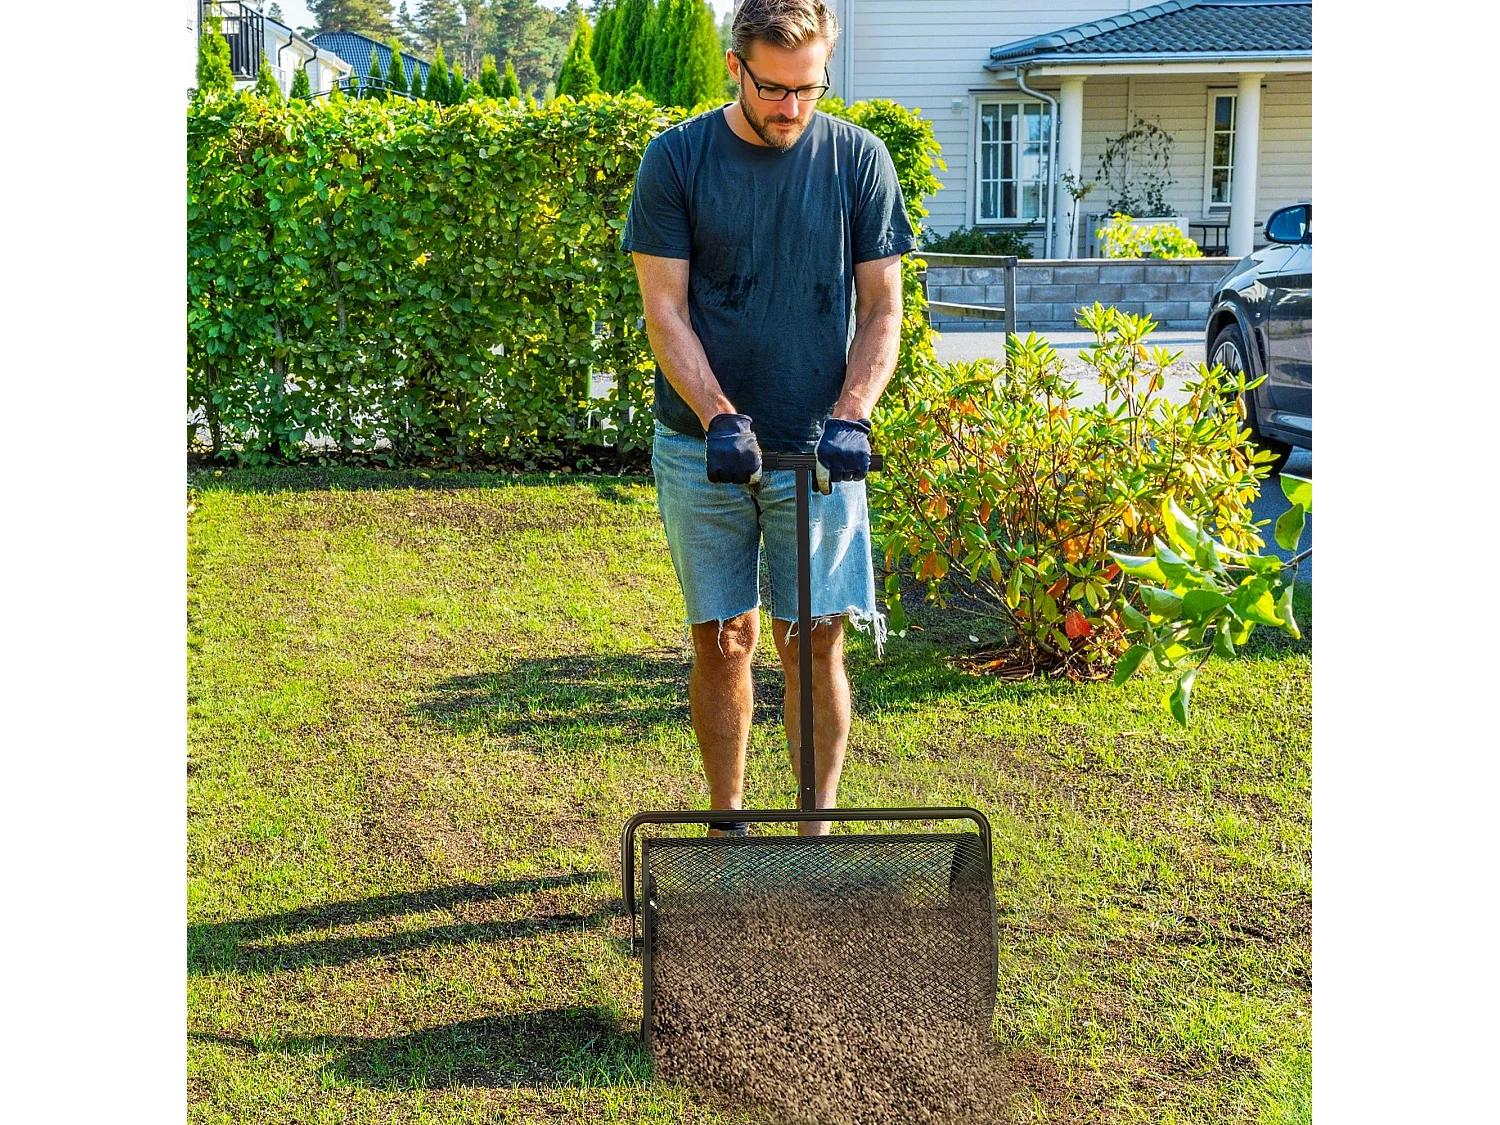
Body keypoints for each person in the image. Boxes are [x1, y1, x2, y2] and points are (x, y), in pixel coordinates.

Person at [621, 0, 917, 836]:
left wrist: (853, 414)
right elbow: (665, 312)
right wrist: (717, 414)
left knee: (815, 636)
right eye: (775, 89)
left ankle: (814, 831)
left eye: (810, 89)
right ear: (736, 68)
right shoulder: (675, 161)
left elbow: (883, 309)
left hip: (822, 448)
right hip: (700, 448)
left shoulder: (858, 160)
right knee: (724, 634)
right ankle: (728, 826)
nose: (792, 108)